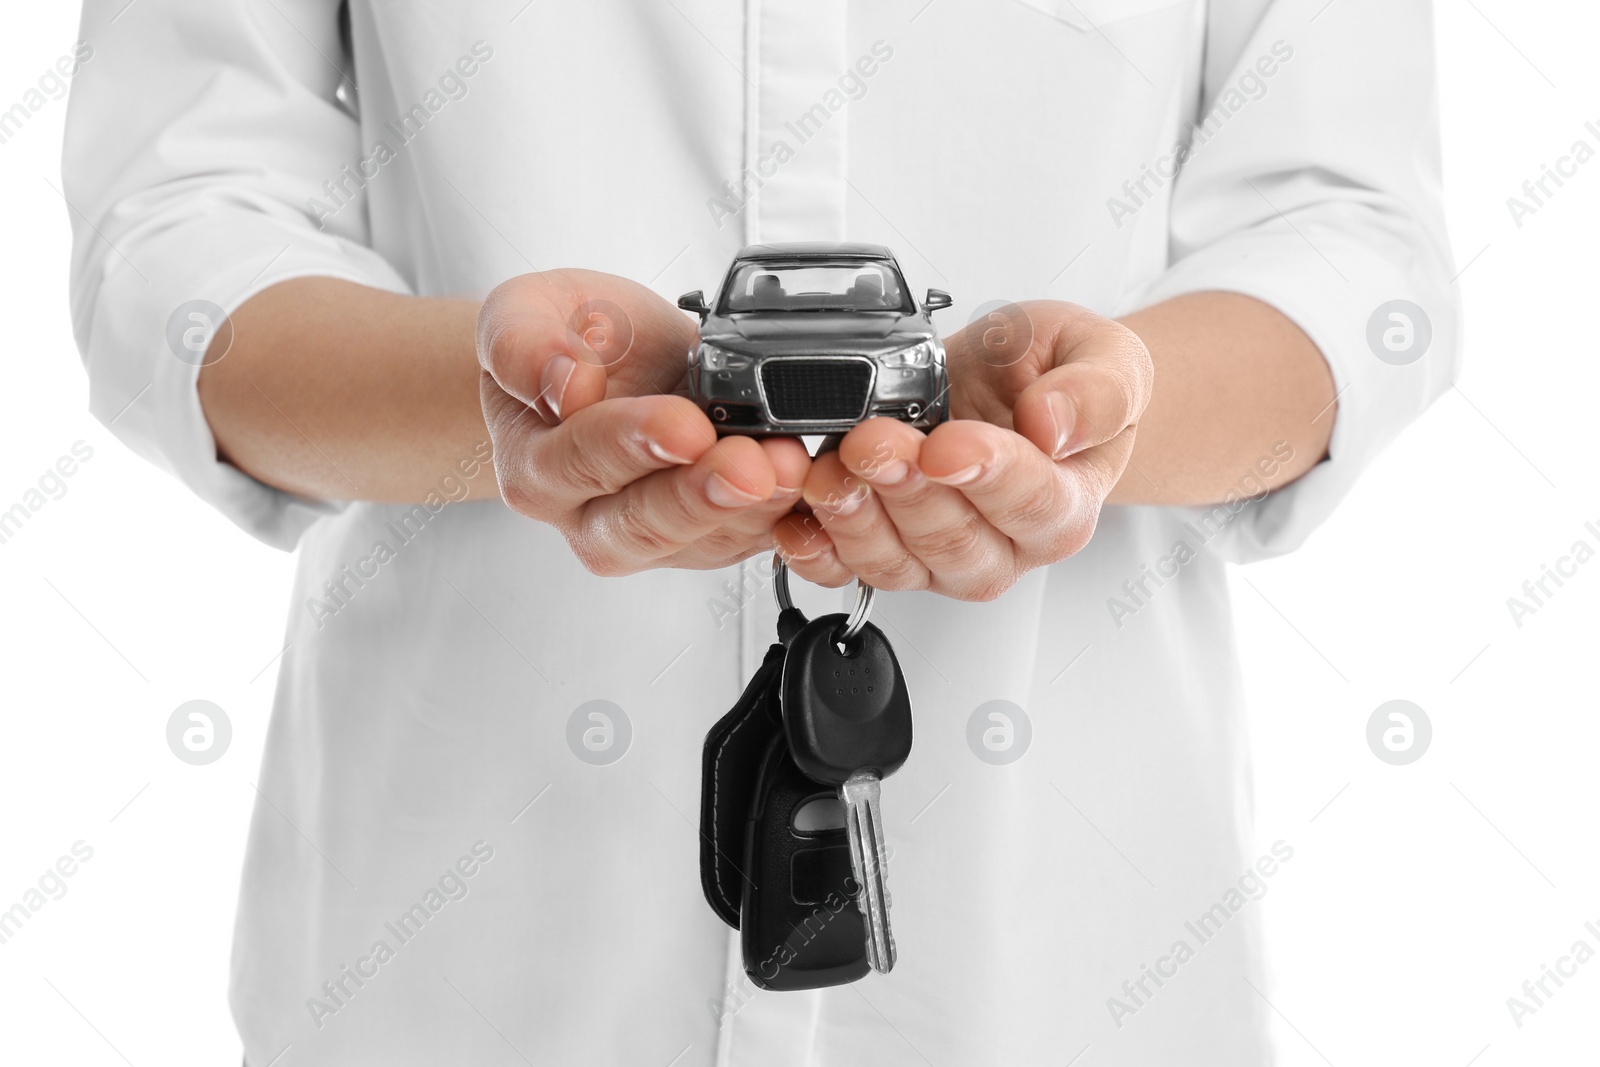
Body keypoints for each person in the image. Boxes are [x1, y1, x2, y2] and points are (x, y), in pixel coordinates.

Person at [63, 1, 1458, 1063]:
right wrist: (493, 403)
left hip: (1075, 958)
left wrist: (1106, 417)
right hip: (461, 958)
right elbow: (186, 221)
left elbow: (1345, 231)